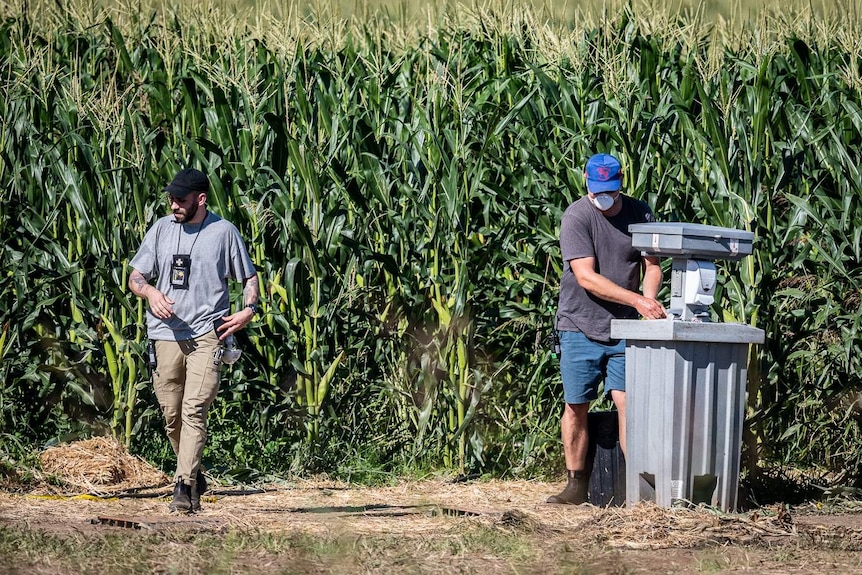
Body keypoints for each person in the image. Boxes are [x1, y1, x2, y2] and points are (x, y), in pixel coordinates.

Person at [128, 167, 260, 512]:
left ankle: (184, 487)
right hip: (165, 334)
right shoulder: (160, 230)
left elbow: (249, 277)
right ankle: (194, 471)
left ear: (200, 199)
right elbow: (135, 276)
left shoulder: (223, 232)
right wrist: (150, 292)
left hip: (207, 335)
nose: (174, 205)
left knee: (194, 410)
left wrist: (249, 310)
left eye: (181, 199)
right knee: (171, 415)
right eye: (171, 198)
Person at [547, 153, 666, 505]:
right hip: (579, 324)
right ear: (585, 180)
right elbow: (586, 277)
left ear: (620, 184)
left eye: (610, 191)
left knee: (628, 402)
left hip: (626, 330)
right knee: (576, 404)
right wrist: (637, 301)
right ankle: (576, 484)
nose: (604, 197)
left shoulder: (639, 213)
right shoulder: (576, 217)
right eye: (597, 190)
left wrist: (648, 303)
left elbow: (652, 265)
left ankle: (638, 487)